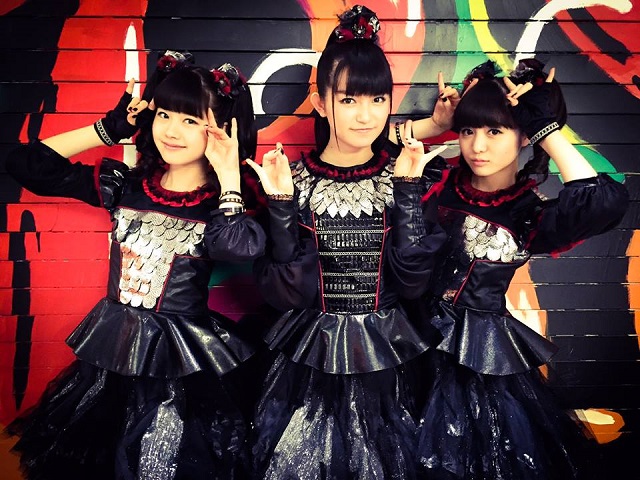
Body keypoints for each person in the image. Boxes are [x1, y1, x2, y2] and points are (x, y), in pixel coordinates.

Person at [3, 50, 266, 479]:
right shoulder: (126, 185)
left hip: (182, 359)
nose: (172, 131)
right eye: (164, 115)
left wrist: (229, 176)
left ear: (221, 128)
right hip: (114, 352)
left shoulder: (223, 204)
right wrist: (107, 130)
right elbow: (25, 165)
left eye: (191, 120)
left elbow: (239, 248)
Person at [244, 5, 456, 479]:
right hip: (307, 359)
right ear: (320, 102)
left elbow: (414, 284)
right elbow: (286, 293)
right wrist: (281, 204)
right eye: (349, 100)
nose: (365, 115)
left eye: (378, 99)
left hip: (389, 358)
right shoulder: (290, 180)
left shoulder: (408, 175)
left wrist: (407, 192)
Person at [412, 59, 629, 479]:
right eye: (468, 130)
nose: (477, 146)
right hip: (406, 342)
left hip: (478, 364)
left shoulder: (529, 213)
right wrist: (435, 124)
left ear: (523, 135)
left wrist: (545, 127)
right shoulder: (433, 180)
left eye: (495, 131)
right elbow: (361, 144)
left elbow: (601, 202)